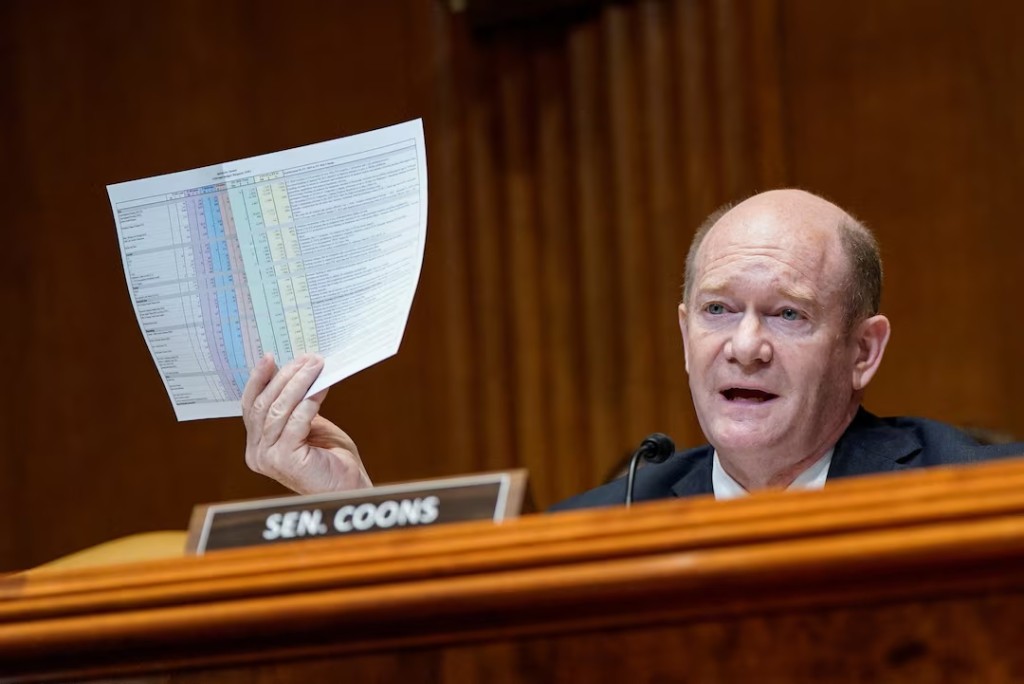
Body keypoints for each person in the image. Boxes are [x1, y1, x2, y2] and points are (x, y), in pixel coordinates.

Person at [241, 189, 1023, 509]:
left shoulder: (985, 497)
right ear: (685, 332)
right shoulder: (606, 521)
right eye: (719, 310)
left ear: (863, 351)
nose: (744, 347)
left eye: (787, 315)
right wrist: (351, 504)